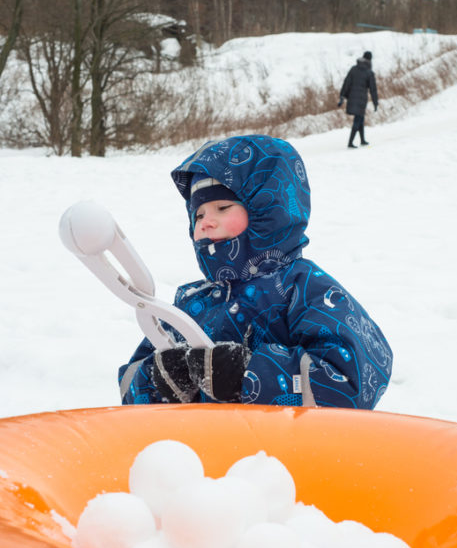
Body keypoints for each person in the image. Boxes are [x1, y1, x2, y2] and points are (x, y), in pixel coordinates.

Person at [118, 135, 392, 409]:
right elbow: (129, 386)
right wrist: (157, 380)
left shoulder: (303, 287)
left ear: (266, 209)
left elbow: (355, 377)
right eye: (198, 214)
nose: (206, 223)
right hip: (198, 448)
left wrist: (249, 374)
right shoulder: (193, 303)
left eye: (222, 208)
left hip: (282, 449)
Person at [338, 51, 378, 148]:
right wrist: (375, 102)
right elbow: (373, 89)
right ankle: (350, 143)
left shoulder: (353, 69)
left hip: (352, 97)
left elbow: (346, 82)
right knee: (358, 119)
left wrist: (342, 96)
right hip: (361, 99)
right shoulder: (369, 72)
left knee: (360, 118)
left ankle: (362, 140)